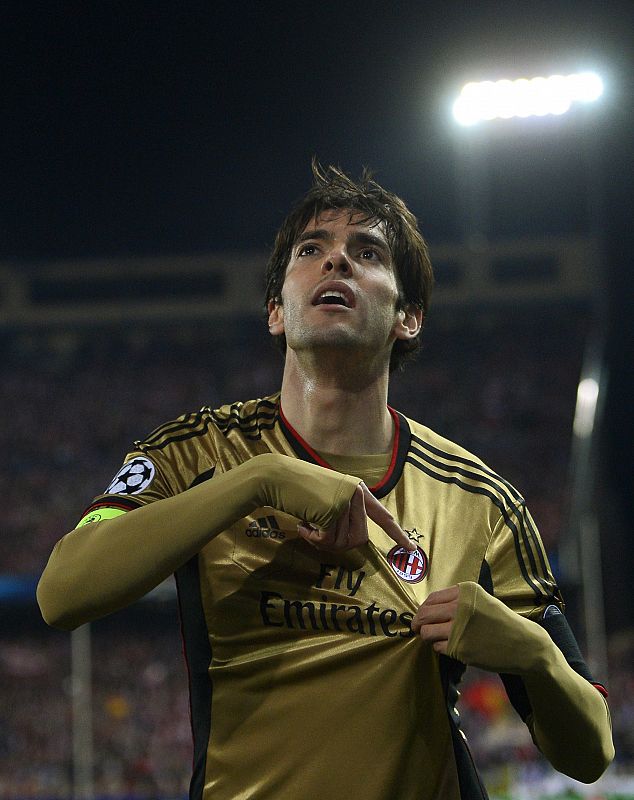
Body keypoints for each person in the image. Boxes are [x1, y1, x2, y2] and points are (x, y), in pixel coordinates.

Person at [37, 162, 614, 800]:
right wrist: (258, 480)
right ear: (276, 312)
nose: (336, 261)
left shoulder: (478, 499)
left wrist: (533, 652)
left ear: (408, 317)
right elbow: (62, 593)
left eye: (367, 253)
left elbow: (590, 753)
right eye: (311, 250)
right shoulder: (195, 452)